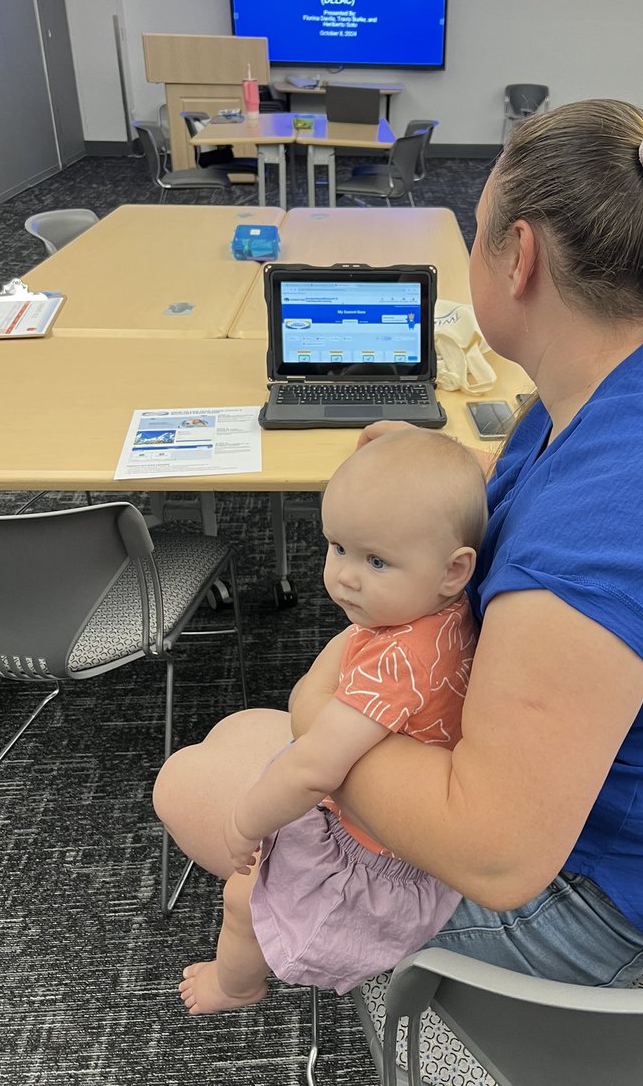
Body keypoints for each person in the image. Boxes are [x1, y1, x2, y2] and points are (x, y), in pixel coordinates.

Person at [156, 100, 643, 998]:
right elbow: (543, 486)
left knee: (191, 781)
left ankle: (274, 956)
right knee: (240, 738)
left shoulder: (602, 543)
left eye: (476, 232)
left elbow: (498, 858)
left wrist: (320, 712)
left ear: (520, 256)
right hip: (617, 825)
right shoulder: (625, 382)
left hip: (587, 900)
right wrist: (435, 465)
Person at [178, 428, 486, 1013]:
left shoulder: (397, 660)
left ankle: (236, 985)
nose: (344, 575)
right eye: (337, 547)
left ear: (453, 569)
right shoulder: (449, 608)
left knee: (242, 900)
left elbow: (313, 768)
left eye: (376, 560)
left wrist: (245, 820)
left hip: (369, 862)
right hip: (398, 826)